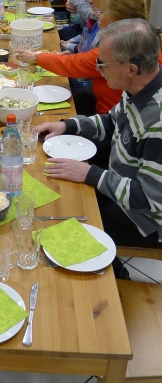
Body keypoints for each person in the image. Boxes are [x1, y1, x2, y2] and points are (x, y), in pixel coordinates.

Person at [38, 19, 162, 267]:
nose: (97, 68)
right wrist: (68, 125)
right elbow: (112, 121)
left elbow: (150, 200)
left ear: (131, 68)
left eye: (103, 63)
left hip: (145, 221)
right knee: (56, 190)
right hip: (122, 187)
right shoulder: (138, 87)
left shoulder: (157, 122)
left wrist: (91, 174)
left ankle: (115, 274)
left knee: (61, 222)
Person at [15, 0, 149, 115]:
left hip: (110, 118)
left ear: (117, 18)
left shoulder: (118, 47)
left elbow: (74, 64)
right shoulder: (137, 37)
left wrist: (36, 57)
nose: (97, 15)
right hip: (109, 113)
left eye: (101, 12)